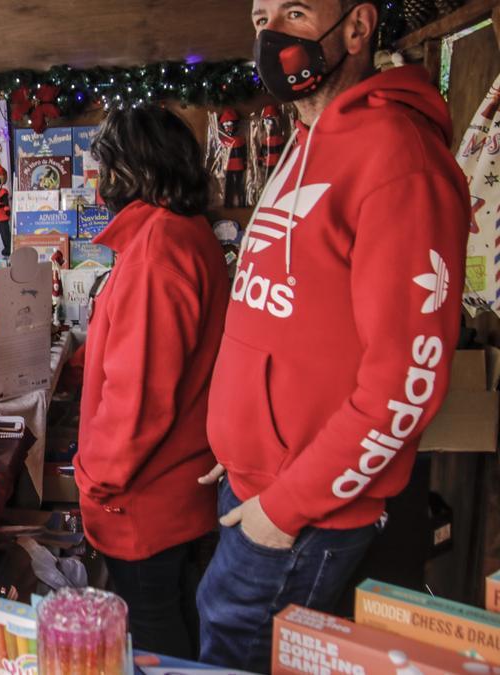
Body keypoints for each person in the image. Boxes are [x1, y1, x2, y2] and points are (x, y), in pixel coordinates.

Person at [198, 2, 469, 671]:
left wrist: (284, 506)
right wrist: (240, 439)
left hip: (305, 508)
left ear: (356, 27)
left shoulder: (397, 156)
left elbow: (406, 383)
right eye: (262, 13)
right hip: (258, 481)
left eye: (295, 11)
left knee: (234, 646)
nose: (271, 33)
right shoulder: (305, 137)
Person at [69, 107, 227, 660]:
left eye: (104, 166)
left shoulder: (159, 247)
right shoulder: (181, 235)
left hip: (145, 499)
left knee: (159, 642)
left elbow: (138, 395)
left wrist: (94, 479)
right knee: (177, 627)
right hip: (175, 489)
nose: (98, 181)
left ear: (134, 170)